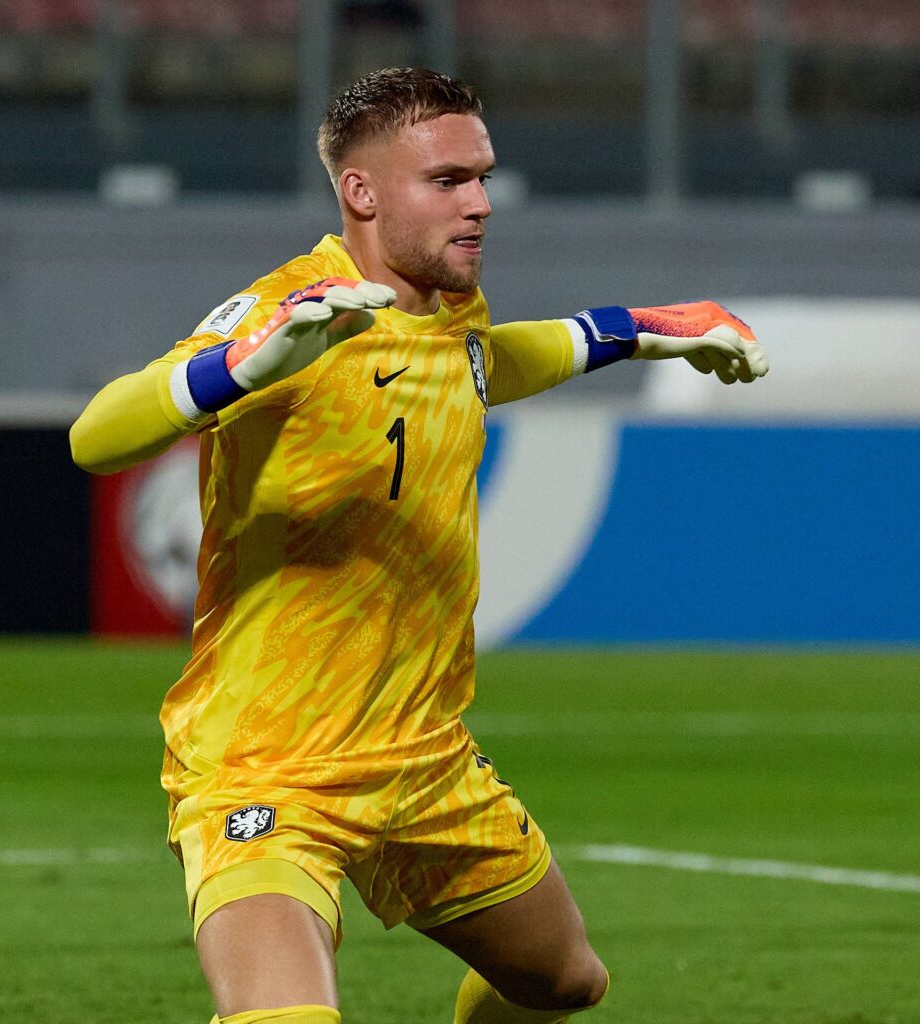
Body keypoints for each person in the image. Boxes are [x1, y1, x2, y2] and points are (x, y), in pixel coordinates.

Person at [70, 67, 767, 1024]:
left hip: (422, 756)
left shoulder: (446, 302)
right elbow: (96, 436)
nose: (480, 203)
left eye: (482, 177)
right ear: (360, 192)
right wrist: (238, 368)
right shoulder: (294, 312)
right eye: (447, 181)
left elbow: (479, 364)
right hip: (270, 764)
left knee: (562, 982)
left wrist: (641, 330)